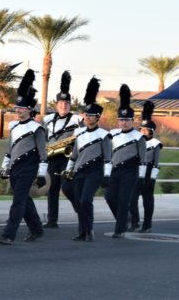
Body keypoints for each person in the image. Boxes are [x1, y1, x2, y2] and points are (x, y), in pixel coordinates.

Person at [0, 69, 48, 246]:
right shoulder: (13, 126)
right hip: (15, 168)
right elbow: (10, 149)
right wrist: (5, 167)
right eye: (17, 107)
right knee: (24, 199)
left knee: (18, 201)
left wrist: (41, 174)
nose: (18, 110)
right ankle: (37, 229)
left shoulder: (37, 128)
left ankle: (9, 234)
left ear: (29, 109)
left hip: (29, 167)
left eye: (21, 108)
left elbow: (43, 152)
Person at [63, 77, 109, 242]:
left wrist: (107, 175)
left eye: (91, 116)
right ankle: (82, 231)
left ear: (98, 117)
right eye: (86, 115)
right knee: (78, 201)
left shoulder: (104, 135)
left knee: (85, 200)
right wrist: (69, 170)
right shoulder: (79, 133)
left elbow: (108, 158)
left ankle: (89, 230)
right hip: (79, 171)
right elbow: (74, 154)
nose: (88, 118)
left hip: (95, 171)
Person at [104, 84, 147, 238]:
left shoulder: (138, 137)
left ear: (132, 120)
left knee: (123, 200)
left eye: (127, 120)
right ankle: (124, 219)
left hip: (130, 171)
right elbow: (107, 154)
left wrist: (141, 177)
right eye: (121, 119)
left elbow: (143, 158)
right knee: (109, 197)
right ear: (118, 120)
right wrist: (106, 172)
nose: (124, 123)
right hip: (114, 170)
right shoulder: (112, 134)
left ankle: (120, 229)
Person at [42, 71, 83, 228]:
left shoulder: (77, 119)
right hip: (51, 157)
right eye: (61, 103)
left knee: (67, 188)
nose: (63, 106)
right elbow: (42, 137)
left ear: (70, 105)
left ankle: (82, 212)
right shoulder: (47, 119)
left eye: (66, 104)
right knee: (51, 189)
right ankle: (52, 220)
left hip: (68, 158)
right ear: (56, 104)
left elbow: (84, 136)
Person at [129, 100, 161, 233]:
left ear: (151, 132)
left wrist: (152, 179)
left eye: (145, 130)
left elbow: (156, 163)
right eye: (141, 129)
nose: (142, 131)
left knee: (147, 200)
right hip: (136, 172)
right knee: (131, 199)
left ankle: (147, 225)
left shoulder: (155, 143)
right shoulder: (136, 141)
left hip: (148, 174)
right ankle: (135, 222)